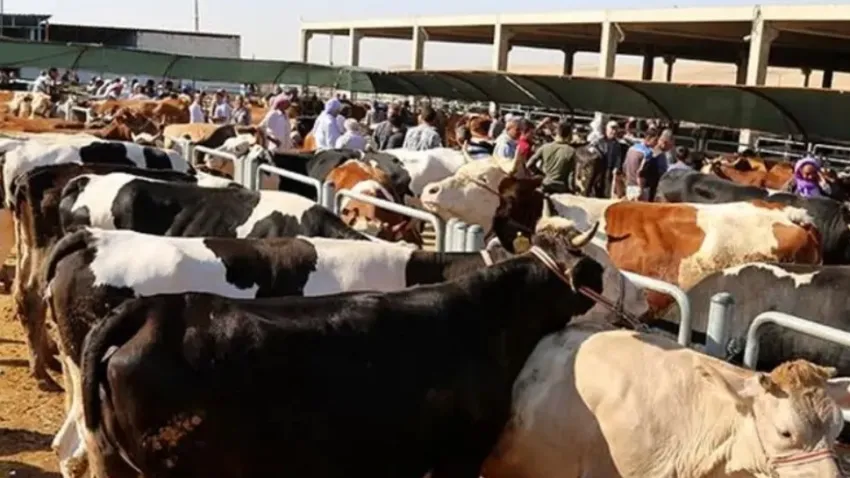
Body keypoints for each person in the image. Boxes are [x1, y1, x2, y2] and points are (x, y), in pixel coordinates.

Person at [528, 121, 576, 193]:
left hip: (545, 184)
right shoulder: (571, 151)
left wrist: (541, 174)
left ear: (557, 133)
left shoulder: (545, 147)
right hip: (561, 188)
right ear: (569, 135)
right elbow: (571, 176)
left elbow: (529, 164)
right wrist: (572, 190)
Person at [590, 120, 626, 198]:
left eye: (616, 129)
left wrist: (617, 167)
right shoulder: (598, 142)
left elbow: (618, 157)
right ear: (607, 129)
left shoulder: (617, 145)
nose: (614, 131)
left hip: (609, 171)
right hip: (598, 171)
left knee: (607, 192)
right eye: (612, 129)